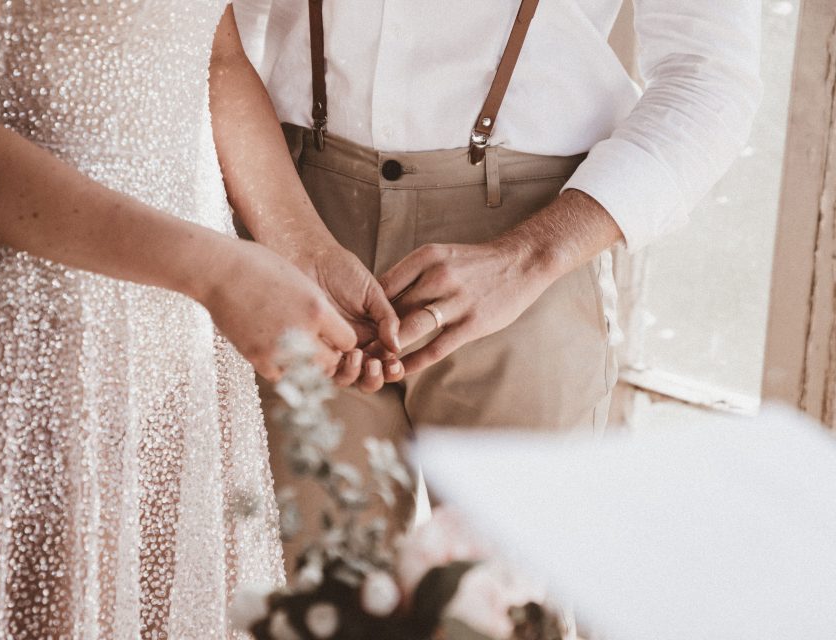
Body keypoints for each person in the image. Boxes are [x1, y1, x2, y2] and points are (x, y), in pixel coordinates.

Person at [0, 1, 400, 637]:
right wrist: (218, 273)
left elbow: (215, 57)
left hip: (186, 348)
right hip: (38, 345)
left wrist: (307, 251)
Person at [238, 0, 762, 560]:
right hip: (290, 221)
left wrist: (528, 258)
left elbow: (708, 71)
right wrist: (277, 230)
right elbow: (214, 36)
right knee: (308, 587)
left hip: (531, 250)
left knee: (506, 594)